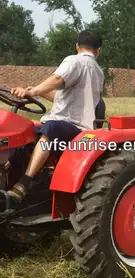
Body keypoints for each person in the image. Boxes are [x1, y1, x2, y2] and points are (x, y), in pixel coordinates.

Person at [5, 30, 104, 208]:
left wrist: (34, 91)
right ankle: (7, 169)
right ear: (98, 51)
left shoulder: (75, 60)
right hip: (80, 126)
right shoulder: (98, 72)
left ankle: (25, 182)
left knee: (49, 129)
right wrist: (36, 93)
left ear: (77, 46)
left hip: (72, 126)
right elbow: (67, 97)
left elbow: (58, 78)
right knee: (27, 131)